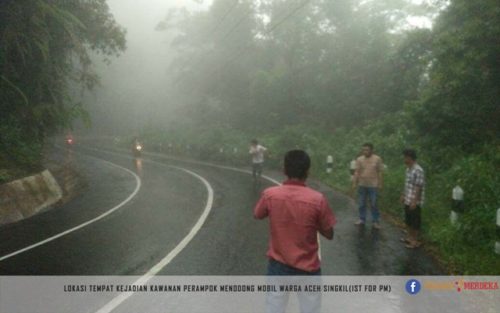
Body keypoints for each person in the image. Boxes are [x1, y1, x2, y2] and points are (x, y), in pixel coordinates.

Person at [254, 150, 336, 313]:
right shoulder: (317, 199)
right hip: (308, 268)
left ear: (284, 170)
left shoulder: (270, 194)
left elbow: (258, 214)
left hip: (278, 266)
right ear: (308, 171)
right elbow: (329, 234)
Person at [352, 143, 383, 229]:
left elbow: (380, 172)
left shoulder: (377, 159)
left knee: (374, 204)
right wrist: (354, 182)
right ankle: (362, 219)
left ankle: (375, 221)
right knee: (361, 203)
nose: (365, 151)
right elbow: (357, 172)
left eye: (367, 150)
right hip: (362, 184)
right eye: (363, 150)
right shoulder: (359, 159)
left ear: (372, 150)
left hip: (373, 185)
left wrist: (380, 184)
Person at [400, 149, 425, 249]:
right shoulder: (408, 169)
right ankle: (409, 238)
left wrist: (414, 201)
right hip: (408, 198)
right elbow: (407, 184)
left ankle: (414, 241)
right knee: (408, 220)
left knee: (415, 221)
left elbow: (418, 187)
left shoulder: (418, 170)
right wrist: (403, 194)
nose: (404, 159)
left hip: (415, 200)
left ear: (410, 158)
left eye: (405, 157)